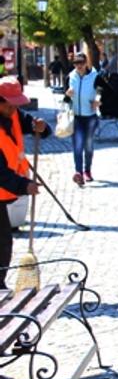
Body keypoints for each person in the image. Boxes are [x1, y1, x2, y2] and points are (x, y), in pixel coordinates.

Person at [0, 77, 50, 290]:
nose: (14, 109)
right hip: (6, 182)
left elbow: (32, 125)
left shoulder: (14, 114)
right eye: (9, 105)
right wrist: (23, 185)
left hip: (5, 190)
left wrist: (41, 127)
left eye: (16, 105)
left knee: (3, 242)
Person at [65, 53, 100, 186]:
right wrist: (67, 95)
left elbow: (105, 90)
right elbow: (65, 99)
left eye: (81, 63)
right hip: (76, 117)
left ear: (86, 63)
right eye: (76, 63)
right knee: (78, 145)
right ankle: (78, 172)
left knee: (88, 145)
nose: (79, 66)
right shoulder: (70, 76)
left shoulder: (94, 76)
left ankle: (87, 170)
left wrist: (98, 101)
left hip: (90, 117)